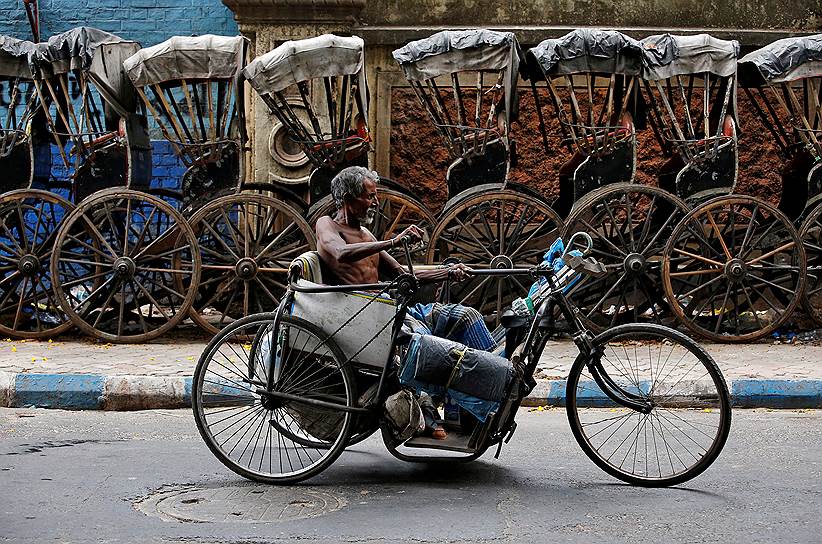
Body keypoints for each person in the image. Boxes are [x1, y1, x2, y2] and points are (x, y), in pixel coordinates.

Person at [315, 166, 496, 439]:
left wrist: (448, 271)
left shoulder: (366, 235)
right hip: (367, 317)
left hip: (396, 309)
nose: (375, 202)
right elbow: (340, 253)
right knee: (432, 345)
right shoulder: (327, 225)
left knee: (466, 316)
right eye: (368, 196)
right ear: (346, 199)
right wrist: (393, 241)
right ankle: (435, 410)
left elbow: (403, 275)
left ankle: (488, 394)